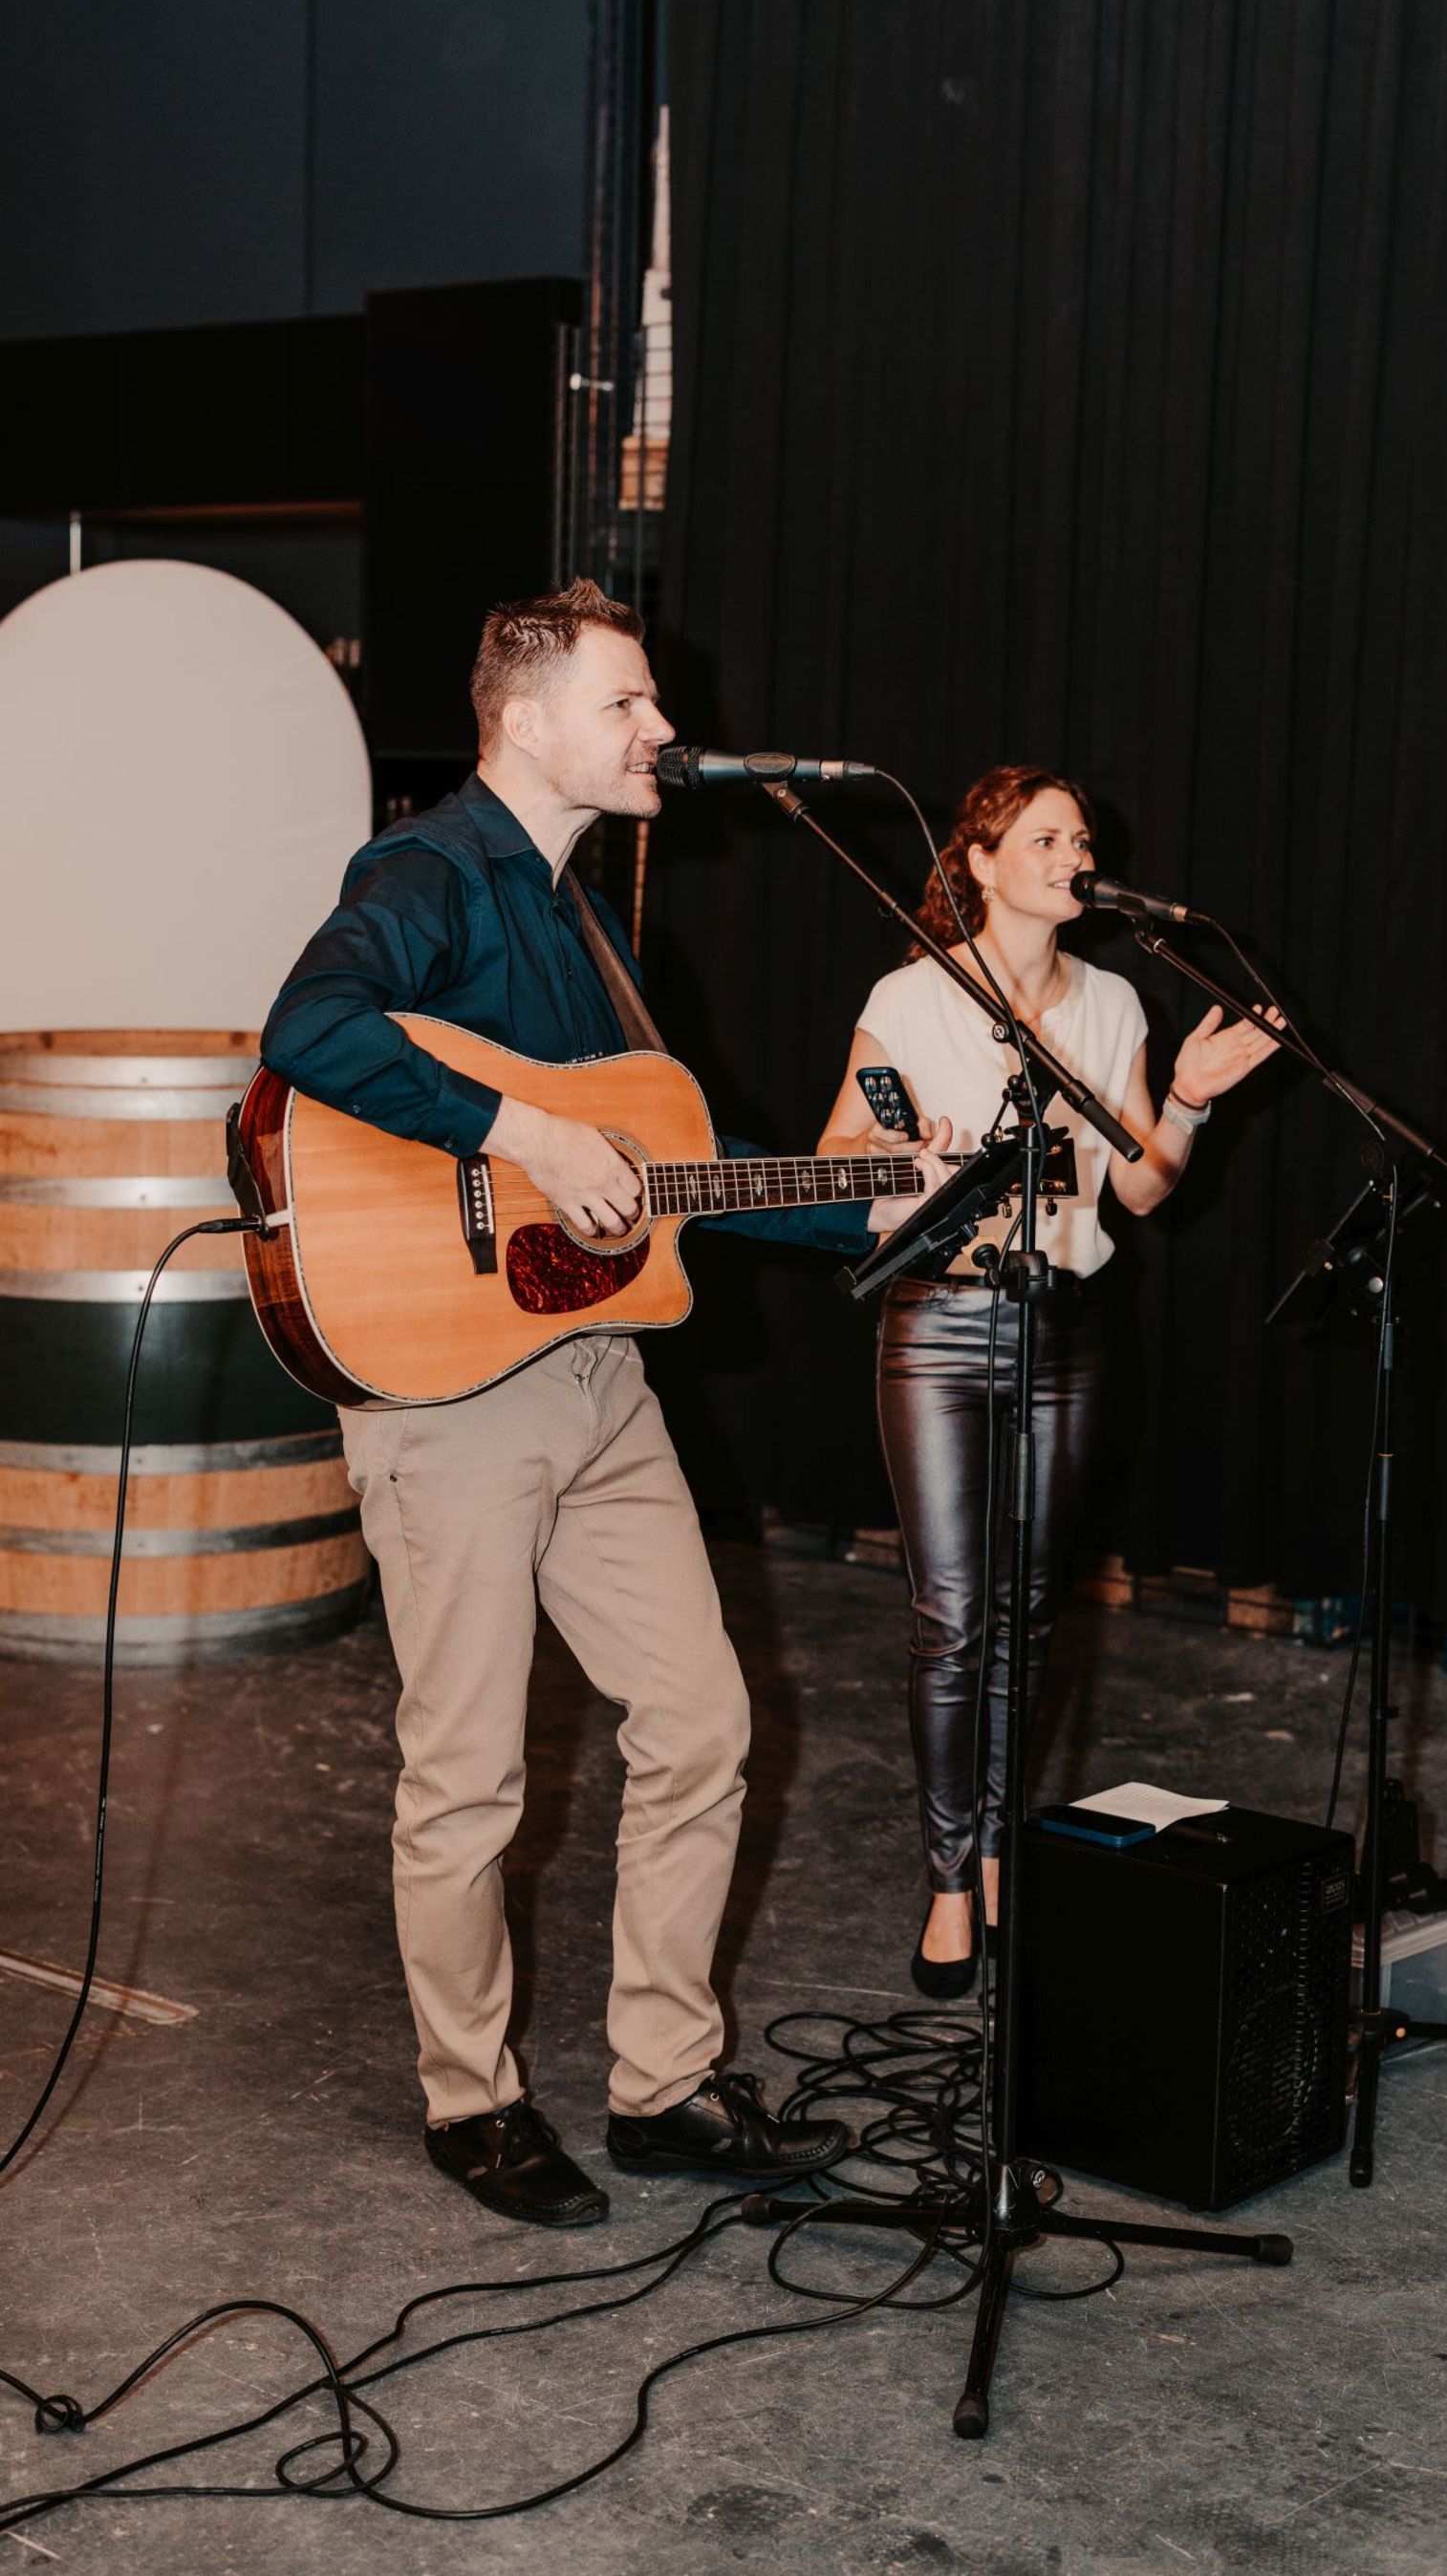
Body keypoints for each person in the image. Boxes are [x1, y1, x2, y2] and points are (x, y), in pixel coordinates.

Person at [262, 581, 898, 2224]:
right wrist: (517, 1134)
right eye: (628, 703)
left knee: (703, 1722)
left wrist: (895, 1204)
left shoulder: (596, 926)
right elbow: (310, 1030)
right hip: (448, 1391)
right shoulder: (426, 871)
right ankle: (470, 2098)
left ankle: (665, 2082)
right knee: (468, 1773)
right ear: (527, 719)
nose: (662, 732)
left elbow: (679, 1177)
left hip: (602, 1380)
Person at [818, 764, 1281, 1994]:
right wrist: (893, 1152)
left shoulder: (1115, 1002)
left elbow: (1138, 1184)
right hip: (938, 1324)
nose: (1075, 851)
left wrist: (1185, 1103)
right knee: (952, 1618)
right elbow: (835, 1160)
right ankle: (950, 1877)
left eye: (1084, 835)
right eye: (1047, 834)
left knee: (1026, 1617)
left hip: (1066, 1329)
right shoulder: (911, 998)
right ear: (979, 859)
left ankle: (1002, 1846)